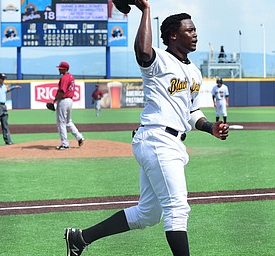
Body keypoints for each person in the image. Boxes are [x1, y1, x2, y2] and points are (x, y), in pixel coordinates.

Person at [64, 1, 229, 255]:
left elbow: (192, 112)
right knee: (177, 209)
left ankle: (80, 238)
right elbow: (142, 53)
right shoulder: (159, 60)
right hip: (157, 139)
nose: (196, 34)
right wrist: (146, 10)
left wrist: (211, 128)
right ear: (174, 35)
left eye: (195, 30)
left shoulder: (194, 72)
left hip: (169, 142)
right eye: (190, 30)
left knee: (148, 214)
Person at [51, 61, 84, 150]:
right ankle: (79, 137)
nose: (59, 70)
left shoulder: (65, 78)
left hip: (63, 101)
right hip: (69, 101)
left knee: (61, 122)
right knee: (68, 121)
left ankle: (65, 144)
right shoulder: (71, 77)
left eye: (60, 68)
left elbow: (62, 91)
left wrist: (54, 100)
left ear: (65, 69)